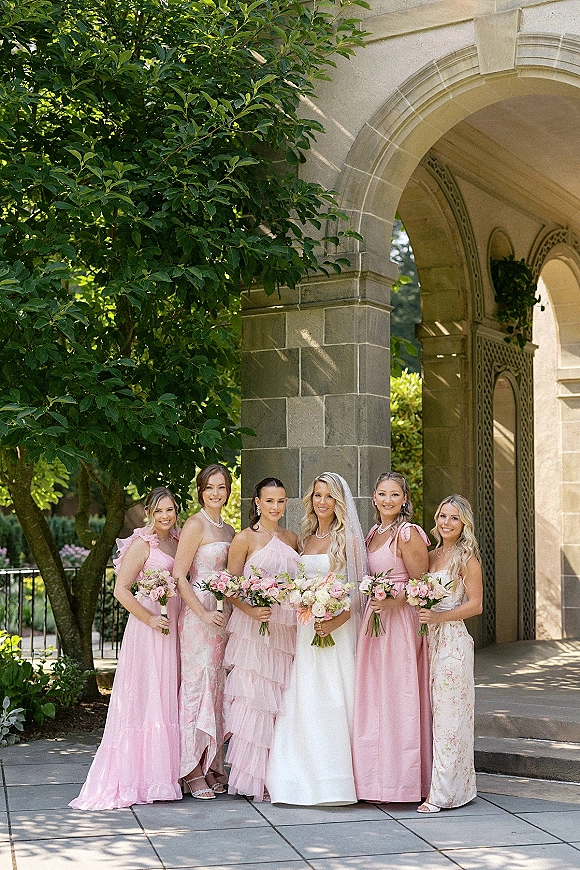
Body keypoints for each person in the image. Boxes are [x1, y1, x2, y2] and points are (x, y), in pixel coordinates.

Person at [70, 487, 181, 810]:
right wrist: (149, 618)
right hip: (148, 630)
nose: (165, 516)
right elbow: (121, 590)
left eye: (170, 510)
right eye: (159, 510)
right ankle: (138, 778)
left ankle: (164, 777)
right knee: (146, 697)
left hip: (171, 624)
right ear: (149, 512)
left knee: (165, 696)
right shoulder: (141, 544)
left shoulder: (176, 541)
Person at [266, 472, 367, 806]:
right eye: (318, 495)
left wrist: (335, 620)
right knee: (305, 696)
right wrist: (304, 602)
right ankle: (298, 777)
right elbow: (297, 583)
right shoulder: (305, 538)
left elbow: (359, 592)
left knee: (336, 697)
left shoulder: (349, 539)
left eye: (329, 496)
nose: (322, 502)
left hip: (337, 630)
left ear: (339, 502)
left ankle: (338, 780)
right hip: (309, 626)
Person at [352, 471, 432, 803]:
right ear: (374, 497)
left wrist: (394, 599)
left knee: (400, 698)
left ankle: (404, 781)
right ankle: (376, 781)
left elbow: (421, 584)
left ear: (404, 499)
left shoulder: (408, 533)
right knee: (375, 700)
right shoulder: (372, 533)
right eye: (382, 494)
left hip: (400, 624)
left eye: (394, 494)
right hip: (376, 622)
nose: (388, 500)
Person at [223, 477, 299, 802]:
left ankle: (280, 772)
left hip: (284, 629)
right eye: (269, 501)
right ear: (256, 501)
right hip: (253, 629)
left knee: (281, 699)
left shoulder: (292, 538)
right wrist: (252, 610)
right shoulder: (244, 539)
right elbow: (229, 586)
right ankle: (254, 778)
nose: (275, 507)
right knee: (256, 698)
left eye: (281, 501)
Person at [417, 494, 483, 813]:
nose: (446, 522)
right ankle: (454, 786)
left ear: (464, 524)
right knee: (430, 716)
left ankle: (443, 794)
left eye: (453, 518)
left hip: (453, 643)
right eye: (442, 516)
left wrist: (439, 617)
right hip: (426, 641)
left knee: (449, 718)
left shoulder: (466, 558)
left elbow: (476, 604)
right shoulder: (430, 556)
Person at [173, 464, 235, 800]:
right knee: (198, 686)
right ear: (201, 490)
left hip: (222, 616)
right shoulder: (195, 524)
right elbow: (180, 575)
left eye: (222, 487)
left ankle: (213, 762)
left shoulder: (228, 529)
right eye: (210, 487)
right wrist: (202, 611)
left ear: (228, 490)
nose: (216, 493)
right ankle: (190, 768)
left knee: (217, 687)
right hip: (199, 617)